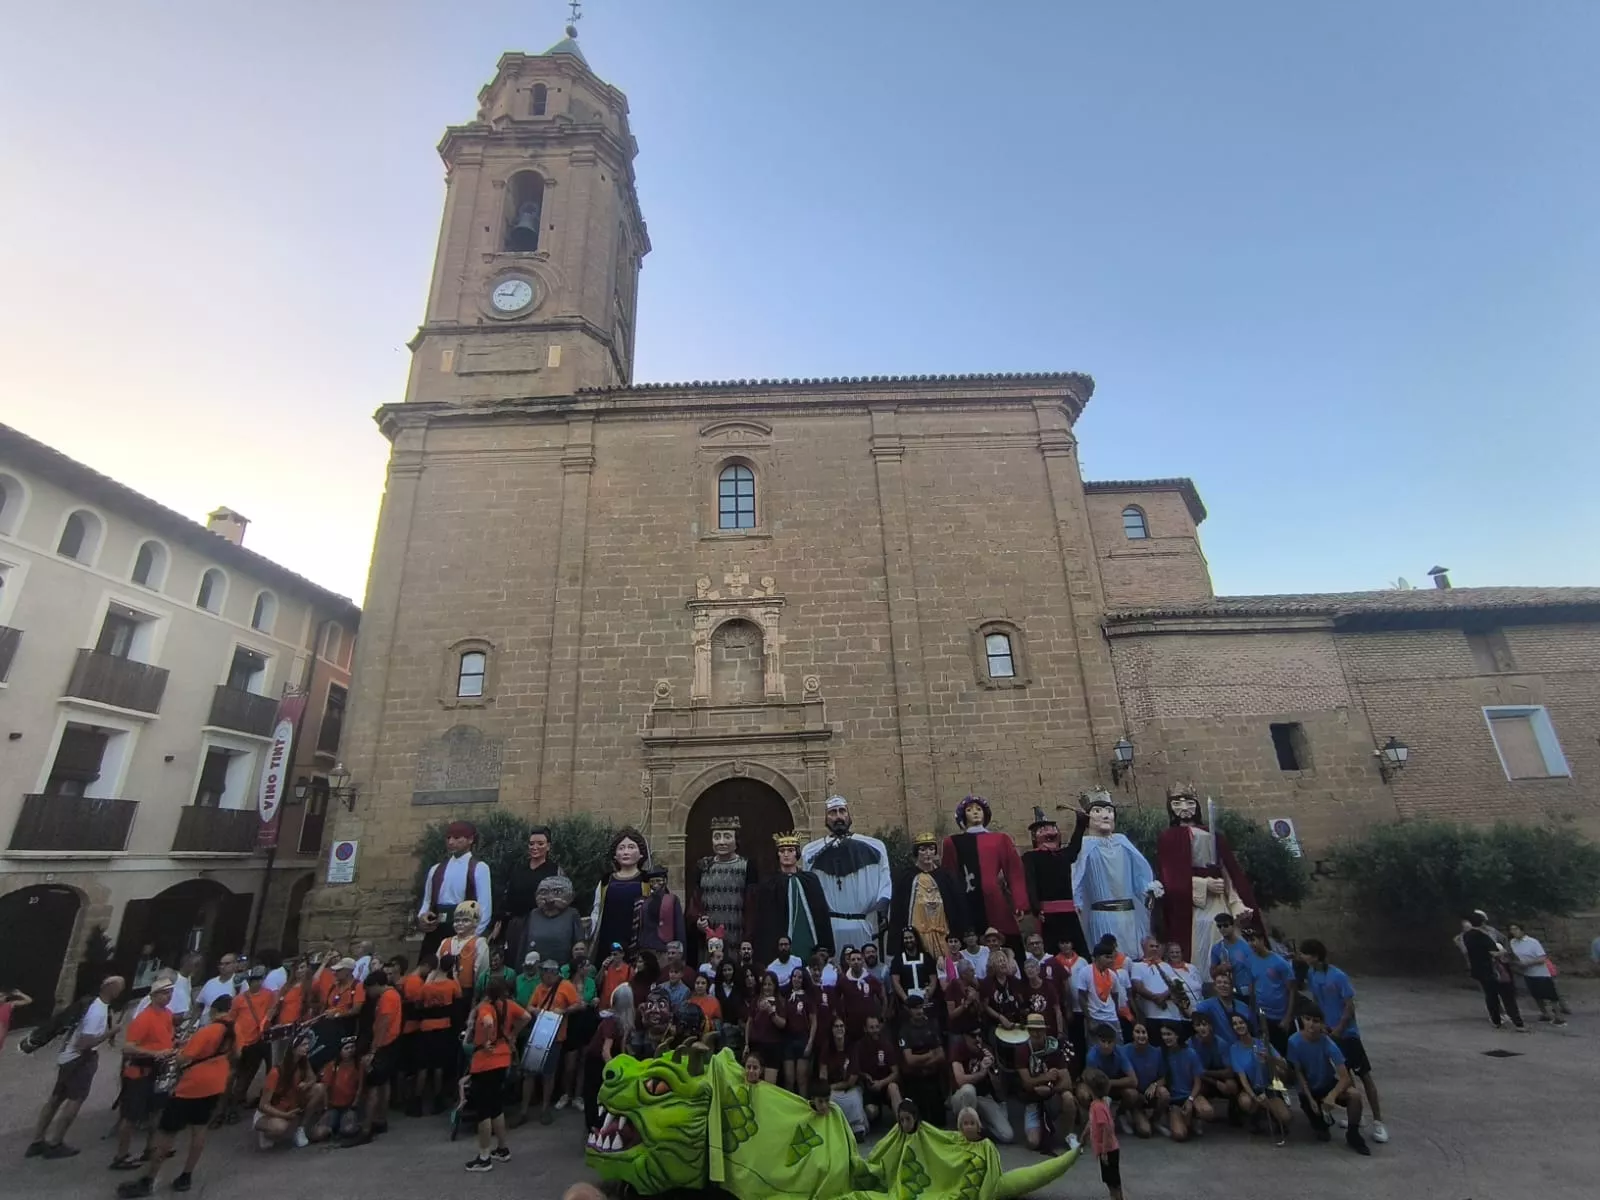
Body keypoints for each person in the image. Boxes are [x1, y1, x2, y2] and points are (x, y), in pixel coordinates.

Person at [116, 994, 234, 1197]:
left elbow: (183, 1059)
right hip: (216, 1084)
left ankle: (149, 1179)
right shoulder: (234, 1030)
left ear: (214, 1011)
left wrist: (182, 1051)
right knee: (199, 1130)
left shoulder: (207, 1031)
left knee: (167, 1133)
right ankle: (186, 1175)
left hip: (192, 1087)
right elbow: (236, 1054)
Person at [1155, 783, 1256, 967]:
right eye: (1177, 804)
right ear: (1171, 808)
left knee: (1225, 930)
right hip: (1193, 902)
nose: (1185, 808)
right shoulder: (1168, 837)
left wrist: (1235, 901)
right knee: (1201, 933)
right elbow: (1170, 876)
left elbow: (1227, 870)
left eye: (1189, 803)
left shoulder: (1213, 835)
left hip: (1219, 898)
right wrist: (1203, 884)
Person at [1299, 938, 1388, 1143]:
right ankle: (1359, 1117)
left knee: (1364, 1076)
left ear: (1315, 955)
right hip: (1328, 1033)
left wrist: (1339, 1028)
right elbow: (1317, 1001)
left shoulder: (1338, 976)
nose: (1302, 957)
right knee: (1345, 1075)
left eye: (1305, 953)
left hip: (1347, 1035)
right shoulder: (1312, 974)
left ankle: (1378, 1122)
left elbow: (1349, 1005)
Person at [27, 974, 124, 1160]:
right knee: (75, 1100)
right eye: (119, 987)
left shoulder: (94, 1004)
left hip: (67, 1058)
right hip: (80, 1060)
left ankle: (37, 1141)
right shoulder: (97, 1010)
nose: (121, 991)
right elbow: (84, 1043)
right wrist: (111, 1032)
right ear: (110, 988)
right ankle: (56, 1142)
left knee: (55, 1099)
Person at [801, 795, 893, 954]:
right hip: (831, 926)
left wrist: (882, 910)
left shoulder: (874, 847)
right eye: (832, 812)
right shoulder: (811, 852)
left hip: (863, 924)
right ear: (825, 818)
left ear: (849, 815)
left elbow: (885, 882)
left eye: (842, 811)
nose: (838, 816)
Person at [1072, 793, 1161, 956]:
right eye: (1097, 811)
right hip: (1101, 915)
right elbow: (1076, 877)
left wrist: (1148, 890)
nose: (1105, 816)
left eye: (1109, 811)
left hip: (1129, 913)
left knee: (1135, 957)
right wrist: (1076, 901)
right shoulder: (1084, 846)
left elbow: (1139, 872)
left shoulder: (1123, 842)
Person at [942, 795, 1031, 954]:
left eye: (979, 809)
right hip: (967, 901)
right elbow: (949, 876)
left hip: (995, 900)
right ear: (963, 816)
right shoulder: (952, 842)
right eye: (969, 810)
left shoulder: (1000, 839)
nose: (975, 813)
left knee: (1006, 941)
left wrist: (1020, 902)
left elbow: (1014, 871)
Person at [110, 976, 176, 1171]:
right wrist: (155, 1053)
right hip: (139, 1073)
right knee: (130, 1117)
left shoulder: (167, 1014)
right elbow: (128, 1048)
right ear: (154, 996)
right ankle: (121, 1156)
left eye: (170, 992)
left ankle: (151, 1148)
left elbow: (166, 1038)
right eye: (164, 993)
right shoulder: (144, 1019)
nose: (169, 996)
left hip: (159, 1072)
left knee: (157, 1111)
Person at [465, 977, 530, 1172]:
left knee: (484, 1110)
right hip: (503, 1059)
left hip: (485, 1062)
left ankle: (484, 1156)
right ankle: (502, 1148)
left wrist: (486, 1039)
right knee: (496, 1107)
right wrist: (512, 1034)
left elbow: (487, 1021)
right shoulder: (509, 1005)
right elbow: (526, 1016)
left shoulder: (485, 1007)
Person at [1287, 1007, 1370, 1155]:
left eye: (1316, 1021)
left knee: (1355, 1096)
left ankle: (1353, 1134)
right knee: (1322, 1135)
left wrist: (1332, 1095)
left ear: (1322, 1025)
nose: (1311, 1025)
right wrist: (1310, 1098)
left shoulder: (1328, 1043)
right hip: (1309, 1088)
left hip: (1326, 1084)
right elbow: (1298, 1072)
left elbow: (1344, 1076)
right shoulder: (1294, 1042)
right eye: (1307, 1019)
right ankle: (1321, 1120)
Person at [1022, 805, 1092, 957]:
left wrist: (1080, 824)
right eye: (1042, 830)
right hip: (1047, 913)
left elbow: (1074, 848)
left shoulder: (1064, 855)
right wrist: (1035, 908)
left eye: (1051, 828)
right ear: (1035, 836)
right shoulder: (1031, 857)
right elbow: (1030, 882)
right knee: (1051, 951)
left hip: (1068, 911)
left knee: (1078, 950)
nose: (1048, 833)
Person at [889, 831, 970, 959]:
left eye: (931, 849)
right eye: (923, 849)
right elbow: (897, 910)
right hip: (917, 933)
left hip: (943, 932)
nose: (928, 853)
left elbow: (958, 906)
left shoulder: (946, 877)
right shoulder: (906, 877)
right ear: (917, 852)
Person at [688, 815, 759, 962]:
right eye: (717, 837)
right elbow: (695, 901)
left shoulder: (747, 866)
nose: (721, 842)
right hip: (709, 937)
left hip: (736, 933)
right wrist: (698, 920)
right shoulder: (703, 866)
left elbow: (752, 905)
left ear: (736, 840)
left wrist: (748, 937)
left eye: (727, 837)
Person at [418, 820, 493, 957]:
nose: (451, 842)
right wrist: (422, 917)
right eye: (448, 838)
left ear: (470, 839)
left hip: (464, 930)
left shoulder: (479, 868)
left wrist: (472, 937)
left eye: (457, 838)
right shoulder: (436, 869)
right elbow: (427, 901)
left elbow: (485, 907)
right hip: (436, 929)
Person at [348, 967, 401, 1145]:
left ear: (377, 985)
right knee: (384, 1084)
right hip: (391, 1044)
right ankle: (380, 1120)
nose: (369, 993)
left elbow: (383, 1025)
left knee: (373, 1087)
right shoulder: (393, 995)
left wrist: (373, 1050)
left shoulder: (387, 998)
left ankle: (366, 1129)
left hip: (383, 1045)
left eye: (369, 989)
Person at [524, 959, 580, 1125]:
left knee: (549, 1074)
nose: (542, 976)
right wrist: (535, 1010)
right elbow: (529, 1006)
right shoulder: (539, 987)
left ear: (552, 973)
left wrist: (564, 1010)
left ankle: (545, 1109)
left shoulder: (566, 986)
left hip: (555, 1036)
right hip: (538, 1033)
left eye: (544, 973)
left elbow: (578, 1004)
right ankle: (524, 1110)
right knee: (529, 1072)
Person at [1014, 1012, 1076, 1151]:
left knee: (1068, 1097)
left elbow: (1067, 1082)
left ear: (1044, 1030)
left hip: (1053, 1095)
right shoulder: (1022, 1050)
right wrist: (1046, 1077)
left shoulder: (1054, 1047)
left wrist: (1052, 1090)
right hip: (1032, 1100)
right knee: (1033, 1143)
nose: (1036, 1033)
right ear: (1028, 1032)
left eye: (1039, 1030)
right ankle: (1040, 1127)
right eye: (1033, 1030)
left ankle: (1070, 1135)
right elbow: (1027, 1083)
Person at [1229, 1012, 1292, 1144]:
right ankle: (1256, 1117)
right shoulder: (1234, 1049)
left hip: (1269, 1087)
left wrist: (1269, 1058)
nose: (1238, 1026)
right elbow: (1242, 1078)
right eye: (1234, 1024)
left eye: (1241, 1022)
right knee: (1246, 1102)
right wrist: (1254, 1097)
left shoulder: (1263, 1043)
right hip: (1252, 1089)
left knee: (1285, 1117)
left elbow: (1284, 1065)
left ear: (1247, 1024)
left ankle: (1273, 1114)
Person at [1459, 911, 1527, 1031]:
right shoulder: (1483, 936)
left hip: (1479, 970)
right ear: (1483, 922)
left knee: (1491, 996)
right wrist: (1503, 952)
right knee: (1507, 996)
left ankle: (1496, 1021)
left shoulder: (1466, 936)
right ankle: (1518, 1023)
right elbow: (1493, 953)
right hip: (1494, 969)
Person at [501, 825, 561, 962]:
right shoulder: (519, 869)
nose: (535, 847)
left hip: (542, 923)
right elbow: (508, 897)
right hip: (517, 924)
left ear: (548, 846)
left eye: (540, 844)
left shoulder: (554, 870)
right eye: (531, 843)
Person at [225, 965, 276, 1119]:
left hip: (258, 1040)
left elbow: (271, 1011)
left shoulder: (268, 995)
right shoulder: (239, 999)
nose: (256, 982)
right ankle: (230, 1105)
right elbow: (231, 1020)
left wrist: (265, 1023)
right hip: (241, 1041)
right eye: (253, 980)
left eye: (259, 979)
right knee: (237, 1075)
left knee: (247, 1074)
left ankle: (234, 1105)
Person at [583, 983, 634, 1131]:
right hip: (596, 1060)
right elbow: (606, 1051)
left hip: (606, 1058)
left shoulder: (623, 1020)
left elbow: (623, 1045)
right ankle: (593, 1126)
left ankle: (603, 1124)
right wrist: (614, 1071)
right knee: (594, 1094)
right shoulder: (610, 1021)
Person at [254, 1031, 318, 1149]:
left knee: (319, 1089)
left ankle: (300, 1129)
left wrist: (307, 1084)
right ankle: (266, 1133)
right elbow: (263, 1105)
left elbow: (313, 1078)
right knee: (279, 1127)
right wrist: (285, 1115)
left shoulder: (303, 1062)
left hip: (290, 1105)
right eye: (303, 1045)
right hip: (273, 1110)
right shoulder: (276, 1072)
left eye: (307, 1044)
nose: (307, 1047)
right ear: (293, 1048)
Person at [1080, 1023, 1141, 1135]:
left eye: (1110, 1042)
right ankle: (1094, 1117)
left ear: (1115, 1042)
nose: (1106, 1046)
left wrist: (1110, 1082)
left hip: (1113, 1084)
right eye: (1103, 1042)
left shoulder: (1120, 1052)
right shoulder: (1092, 1056)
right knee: (1084, 1094)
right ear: (1097, 1041)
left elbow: (1133, 1080)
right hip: (1095, 1086)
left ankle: (1120, 1113)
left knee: (1132, 1094)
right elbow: (1090, 1082)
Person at [1244, 925, 1297, 1054]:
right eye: (1249, 941)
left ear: (1262, 940)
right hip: (1263, 1017)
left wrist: (1287, 1018)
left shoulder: (1280, 963)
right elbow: (1252, 987)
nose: (1252, 944)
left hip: (1281, 1017)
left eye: (1254, 940)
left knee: (1287, 1053)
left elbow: (1292, 991)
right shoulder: (1250, 960)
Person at [894, 994, 946, 1125]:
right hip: (914, 1080)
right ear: (908, 1010)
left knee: (940, 1121)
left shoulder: (932, 1025)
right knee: (920, 1121)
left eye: (920, 1007)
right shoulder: (904, 1031)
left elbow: (941, 1055)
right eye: (915, 1008)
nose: (919, 1011)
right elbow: (909, 1060)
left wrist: (923, 1061)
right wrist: (929, 1055)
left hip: (932, 1076)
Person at [1505, 922, 1567, 1026]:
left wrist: (1528, 963)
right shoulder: (1512, 943)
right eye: (1512, 929)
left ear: (1522, 930)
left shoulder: (1532, 942)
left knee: (1551, 995)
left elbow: (1542, 958)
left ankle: (1558, 1016)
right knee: (1537, 996)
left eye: (1516, 929)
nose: (1514, 932)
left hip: (1541, 973)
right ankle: (1545, 1014)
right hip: (1527, 973)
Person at [817, 1015, 869, 1137]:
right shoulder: (826, 1048)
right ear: (831, 1029)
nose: (839, 1029)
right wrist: (826, 1088)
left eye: (841, 1026)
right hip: (832, 1089)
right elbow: (822, 1074)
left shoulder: (852, 1047)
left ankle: (857, 1129)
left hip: (851, 1087)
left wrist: (832, 1086)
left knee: (854, 1098)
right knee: (831, 1099)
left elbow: (852, 1080)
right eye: (836, 1026)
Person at [309, 1038, 364, 1144]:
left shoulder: (358, 1065)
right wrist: (325, 1108)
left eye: (352, 1047)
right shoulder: (331, 1065)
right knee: (317, 1134)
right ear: (340, 1051)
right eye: (346, 1048)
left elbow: (360, 1088)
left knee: (348, 1131)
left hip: (349, 1107)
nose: (350, 1050)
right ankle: (332, 1128)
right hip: (333, 1107)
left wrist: (354, 1105)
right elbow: (325, 1088)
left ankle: (346, 1125)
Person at [1159, 1024, 1208, 1141]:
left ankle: (1194, 1118)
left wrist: (1190, 1099)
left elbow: (1198, 1082)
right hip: (1174, 1100)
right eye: (1163, 1035)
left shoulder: (1191, 1053)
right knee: (1180, 1135)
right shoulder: (1162, 1054)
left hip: (1191, 1095)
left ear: (1177, 1036)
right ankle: (1173, 1117)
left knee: (1207, 1111)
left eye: (1169, 1034)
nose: (1166, 1037)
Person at [1078, 938, 1131, 1043]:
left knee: (1118, 1046)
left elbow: (1115, 995)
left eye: (1112, 957)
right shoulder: (1085, 972)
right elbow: (1081, 997)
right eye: (1107, 957)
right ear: (1097, 957)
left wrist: (1115, 1012)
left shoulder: (1112, 975)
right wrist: (1089, 1020)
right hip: (1094, 1016)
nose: (1111, 960)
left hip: (1111, 1016)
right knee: (1095, 1048)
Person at [853, 1012, 903, 1124]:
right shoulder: (859, 1046)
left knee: (893, 1087)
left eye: (877, 1027)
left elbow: (896, 1073)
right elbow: (855, 1070)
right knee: (871, 1113)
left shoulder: (886, 1045)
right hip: (868, 1087)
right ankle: (875, 1113)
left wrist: (881, 1083)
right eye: (871, 1027)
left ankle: (902, 1124)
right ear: (865, 1029)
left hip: (885, 1086)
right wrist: (865, 1076)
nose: (875, 1030)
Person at [1082, 1068, 1123, 1200]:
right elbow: (1092, 1122)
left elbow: (1106, 1127)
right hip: (1106, 1150)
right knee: (1110, 1180)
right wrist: (1084, 1135)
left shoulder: (1098, 1107)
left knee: (1113, 1182)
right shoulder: (1098, 1104)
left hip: (1108, 1150)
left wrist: (1104, 1151)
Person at [1193, 963, 1255, 1050]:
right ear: (1214, 986)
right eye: (1219, 982)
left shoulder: (1243, 1007)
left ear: (1232, 986)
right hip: (1219, 1052)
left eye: (1226, 983)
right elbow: (1193, 1015)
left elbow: (1254, 1031)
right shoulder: (1207, 1006)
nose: (1222, 985)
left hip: (1241, 1050)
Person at [780, 965, 819, 1095]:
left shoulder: (808, 998)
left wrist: (810, 1043)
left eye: (800, 977)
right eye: (794, 977)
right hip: (787, 1040)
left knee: (801, 1079)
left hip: (803, 1039)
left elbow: (814, 1022)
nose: (796, 979)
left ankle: (804, 1105)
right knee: (789, 1079)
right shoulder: (786, 997)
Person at [1125, 1021, 1167, 1135]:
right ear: (1132, 1034)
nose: (1141, 1035)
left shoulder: (1157, 1052)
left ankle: (1155, 1120)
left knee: (1164, 1093)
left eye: (1144, 1032)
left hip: (1150, 1094)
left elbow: (1163, 1077)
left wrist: (1155, 1085)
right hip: (1135, 1096)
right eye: (1137, 1032)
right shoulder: (1124, 1051)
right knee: (1145, 1132)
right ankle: (1125, 1114)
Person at [889, 925, 936, 1014]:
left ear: (916, 939)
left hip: (926, 1000)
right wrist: (906, 999)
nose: (908, 940)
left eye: (910, 937)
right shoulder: (897, 959)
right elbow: (895, 982)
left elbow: (933, 980)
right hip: (906, 1002)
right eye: (905, 938)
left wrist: (928, 996)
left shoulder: (926, 957)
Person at [1208, 913, 1253, 1003]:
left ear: (1232, 925)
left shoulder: (1246, 946)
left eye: (1225, 925)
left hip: (1248, 992)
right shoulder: (1217, 948)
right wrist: (1220, 968)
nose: (1222, 929)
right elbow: (1212, 973)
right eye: (1219, 926)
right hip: (1228, 992)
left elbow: (1255, 969)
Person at [196, 953, 242, 1019]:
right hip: (205, 1023)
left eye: (227, 964)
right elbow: (199, 1005)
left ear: (235, 964)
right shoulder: (210, 982)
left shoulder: (240, 982)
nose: (222, 967)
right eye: (221, 964)